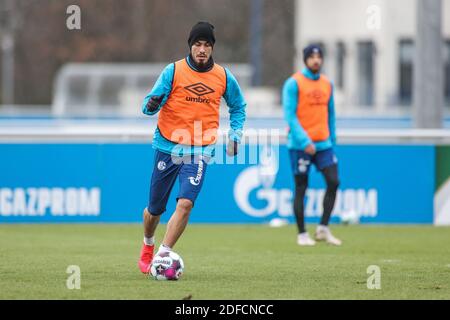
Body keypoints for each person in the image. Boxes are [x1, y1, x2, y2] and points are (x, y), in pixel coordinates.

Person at [138, 21, 247, 273]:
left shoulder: (223, 76)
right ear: (190, 46)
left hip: (200, 149)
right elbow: (147, 105)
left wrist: (235, 134)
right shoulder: (173, 72)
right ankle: (148, 244)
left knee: (186, 203)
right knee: (154, 209)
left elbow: (238, 106)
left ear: (212, 48)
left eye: (207, 45)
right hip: (168, 145)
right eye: (198, 44)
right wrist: (152, 105)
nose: (202, 49)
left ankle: (163, 255)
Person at [282, 44, 341, 246]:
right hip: (300, 146)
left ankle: (323, 228)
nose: (316, 60)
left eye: (319, 56)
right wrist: (304, 141)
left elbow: (330, 113)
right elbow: (290, 116)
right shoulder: (294, 83)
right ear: (305, 59)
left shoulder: (327, 84)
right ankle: (302, 234)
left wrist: (332, 139)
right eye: (312, 56)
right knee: (301, 187)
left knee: (334, 181)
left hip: (324, 144)